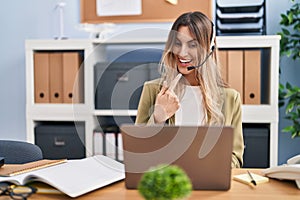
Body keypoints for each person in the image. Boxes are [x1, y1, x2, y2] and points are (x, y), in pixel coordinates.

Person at [135, 11, 244, 168]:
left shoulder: (230, 99)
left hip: (209, 184)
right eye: (178, 43)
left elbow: (235, 158)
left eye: (192, 45)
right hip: (167, 184)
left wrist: (209, 168)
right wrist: (158, 118)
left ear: (209, 49)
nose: (182, 52)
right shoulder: (153, 90)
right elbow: (138, 153)